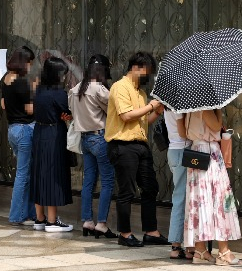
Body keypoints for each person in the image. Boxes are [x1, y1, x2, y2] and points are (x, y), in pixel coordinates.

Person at [105, 51, 168, 247]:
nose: (147, 76)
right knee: (127, 191)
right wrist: (151, 106)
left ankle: (151, 231)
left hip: (140, 145)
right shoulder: (119, 87)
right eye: (146, 72)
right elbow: (126, 116)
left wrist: (157, 111)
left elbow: (143, 122)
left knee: (150, 187)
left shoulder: (140, 93)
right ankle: (124, 234)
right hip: (123, 145)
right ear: (136, 67)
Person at [183, 109, 242, 266]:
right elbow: (216, 127)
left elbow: (183, 132)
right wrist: (220, 111)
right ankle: (223, 251)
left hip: (195, 154)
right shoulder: (205, 106)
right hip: (209, 154)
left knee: (199, 202)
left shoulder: (188, 106)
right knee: (220, 199)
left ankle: (200, 250)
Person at [68, 54, 117, 239]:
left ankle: (87, 221)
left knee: (88, 181)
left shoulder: (76, 89)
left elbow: (72, 112)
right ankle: (102, 224)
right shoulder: (100, 89)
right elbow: (113, 111)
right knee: (107, 181)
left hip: (85, 139)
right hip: (100, 137)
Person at [30, 57, 74, 232]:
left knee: (39, 173)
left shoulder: (39, 90)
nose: (64, 77)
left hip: (39, 133)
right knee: (53, 175)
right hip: (54, 134)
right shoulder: (59, 93)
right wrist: (67, 116)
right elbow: (68, 112)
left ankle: (40, 218)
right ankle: (52, 220)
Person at [2, 46, 37, 226]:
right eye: (29, 62)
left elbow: (3, 105)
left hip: (12, 130)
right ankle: (17, 215)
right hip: (24, 130)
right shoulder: (21, 82)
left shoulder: (6, 80)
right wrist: (36, 95)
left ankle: (27, 214)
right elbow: (30, 109)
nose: (30, 66)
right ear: (24, 62)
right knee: (23, 175)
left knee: (24, 174)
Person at [165, 109, 193, 259]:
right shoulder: (178, 108)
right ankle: (176, 246)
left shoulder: (167, 105)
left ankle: (184, 245)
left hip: (173, 151)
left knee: (181, 197)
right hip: (183, 151)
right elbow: (183, 133)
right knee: (181, 199)